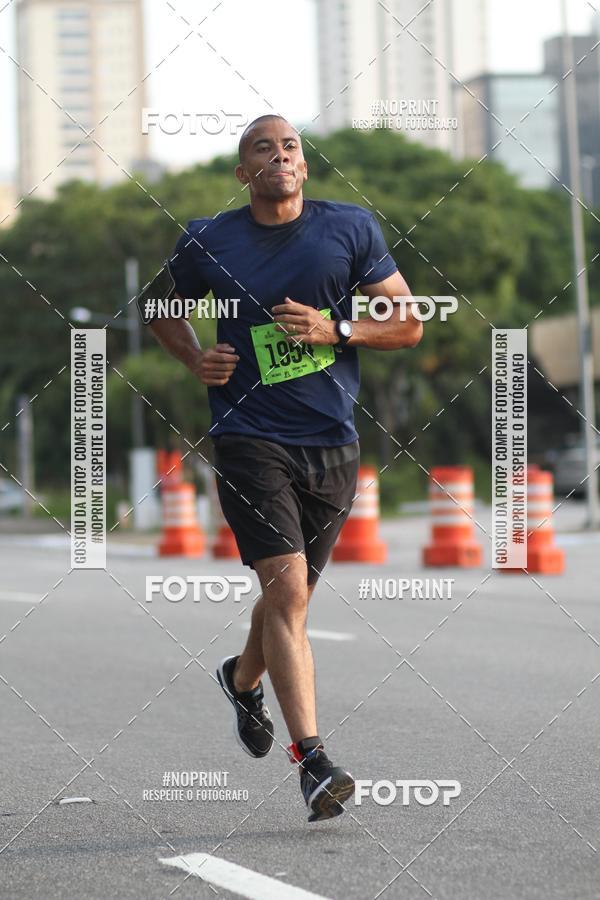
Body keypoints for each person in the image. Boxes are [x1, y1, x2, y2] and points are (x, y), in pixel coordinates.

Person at [144, 115, 422, 822]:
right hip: (248, 438)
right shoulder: (210, 238)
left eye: (290, 146)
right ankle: (314, 763)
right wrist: (194, 357)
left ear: (304, 164)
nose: (279, 155)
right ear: (245, 173)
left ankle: (242, 680)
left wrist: (337, 328)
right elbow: (158, 309)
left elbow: (408, 322)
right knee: (288, 590)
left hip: (332, 443)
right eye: (262, 149)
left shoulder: (349, 228)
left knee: (288, 601)